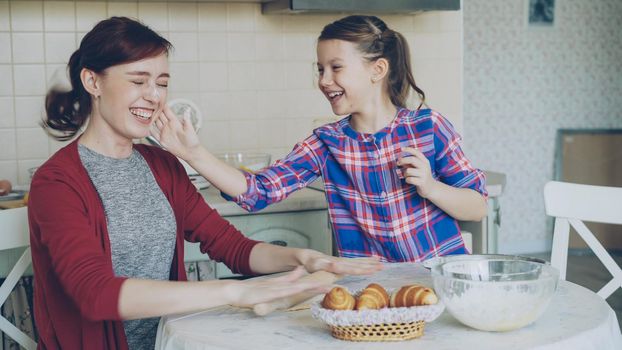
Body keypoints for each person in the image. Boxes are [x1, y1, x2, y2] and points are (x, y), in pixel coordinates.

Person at [28, 17, 382, 350]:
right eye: (138, 81)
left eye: (162, 83)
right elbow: (95, 294)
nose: (154, 96)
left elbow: (232, 247)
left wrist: (304, 258)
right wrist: (233, 293)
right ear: (93, 82)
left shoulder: (163, 166)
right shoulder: (57, 183)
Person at [153, 15, 487, 263]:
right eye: (320, 69)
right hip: (374, 294)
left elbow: (478, 206)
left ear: (378, 70)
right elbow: (258, 192)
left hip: (443, 285)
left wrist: (431, 187)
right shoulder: (326, 143)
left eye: (336, 67)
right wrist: (194, 153)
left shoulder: (428, 127)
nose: (324, 81)